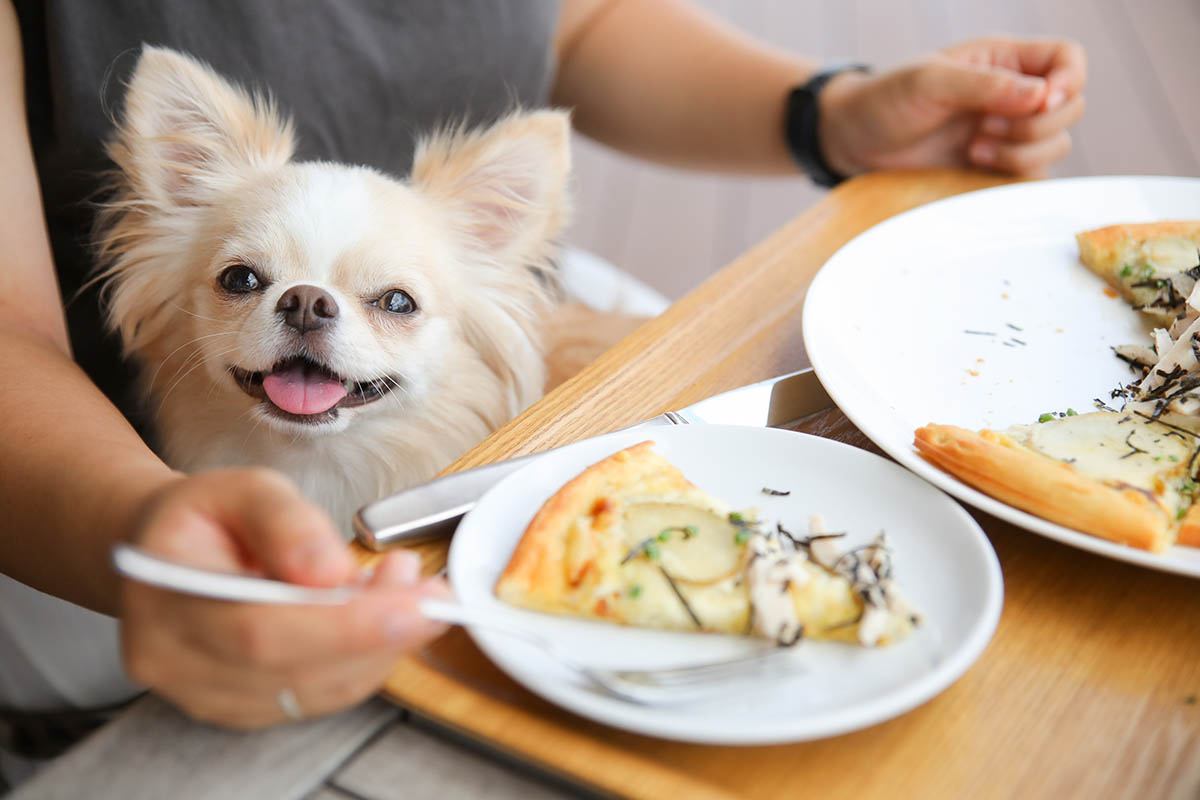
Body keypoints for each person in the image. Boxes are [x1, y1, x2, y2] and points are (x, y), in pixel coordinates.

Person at [0, 0, 1085, 768]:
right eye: (247, 280)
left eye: (388, 301)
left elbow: (580, 16)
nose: (308, 311)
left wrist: (827, 114)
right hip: (78, 499)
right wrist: (137, 519)